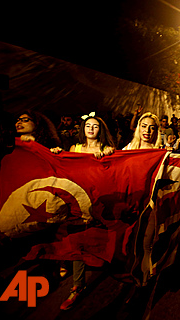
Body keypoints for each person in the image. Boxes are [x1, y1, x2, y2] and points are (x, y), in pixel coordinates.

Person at [58, 112, 116, 310]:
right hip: (77, 200)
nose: (91, 129)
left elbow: (115, 170)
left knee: (103, 236)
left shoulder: (107, 148)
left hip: (99, 201)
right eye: (88, 126)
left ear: (101, 130)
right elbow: (64, 167)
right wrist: (56, 152)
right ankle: (77, 286)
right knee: (77, 240)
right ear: (82, 129)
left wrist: (108, 155)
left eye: (95, 126)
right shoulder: (75, 148)